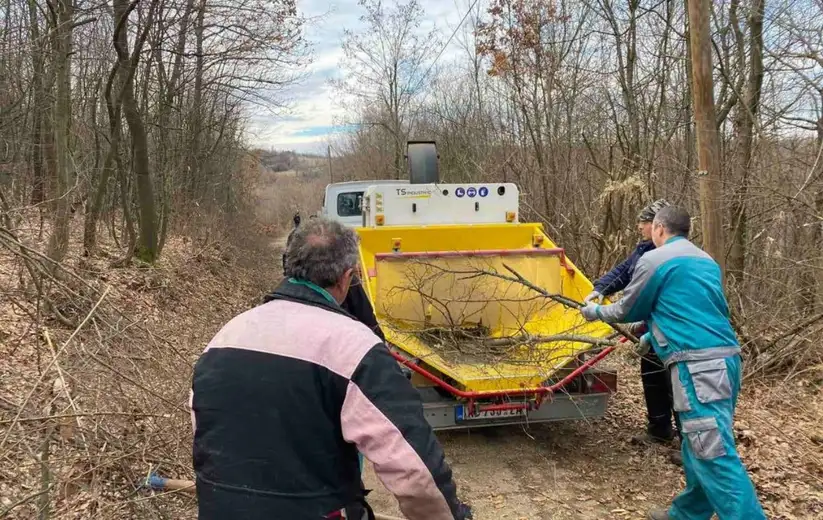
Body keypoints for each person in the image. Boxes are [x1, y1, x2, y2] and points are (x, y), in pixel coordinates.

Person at [191, 217, 470, 520]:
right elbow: (414, 472)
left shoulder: (225, 337)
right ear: (347, 277)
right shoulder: (353, 347)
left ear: (289, 265)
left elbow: (205, 431)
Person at [580, 206, 765, 520]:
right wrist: (655, 334)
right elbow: (693, 310)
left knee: (713, 452)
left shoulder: (654, 259)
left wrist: (594, 311)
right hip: (725, 362)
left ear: (660, 229)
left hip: (698, 368)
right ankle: (687, 514)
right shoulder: (705, 260)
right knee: (699, 445)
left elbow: (627, 309)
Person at [585, 199, 680, 456]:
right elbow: (624, 272)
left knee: (677, 386)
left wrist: (600, 313)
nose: (639, 228)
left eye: (643, 224)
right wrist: (599, 288)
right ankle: (659, 429)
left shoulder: (665, 257)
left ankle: (687, 443)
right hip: (652, 331)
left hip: (672, 335)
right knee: (651, 378)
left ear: (657, 226)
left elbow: (633, 304)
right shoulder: (643, 251)